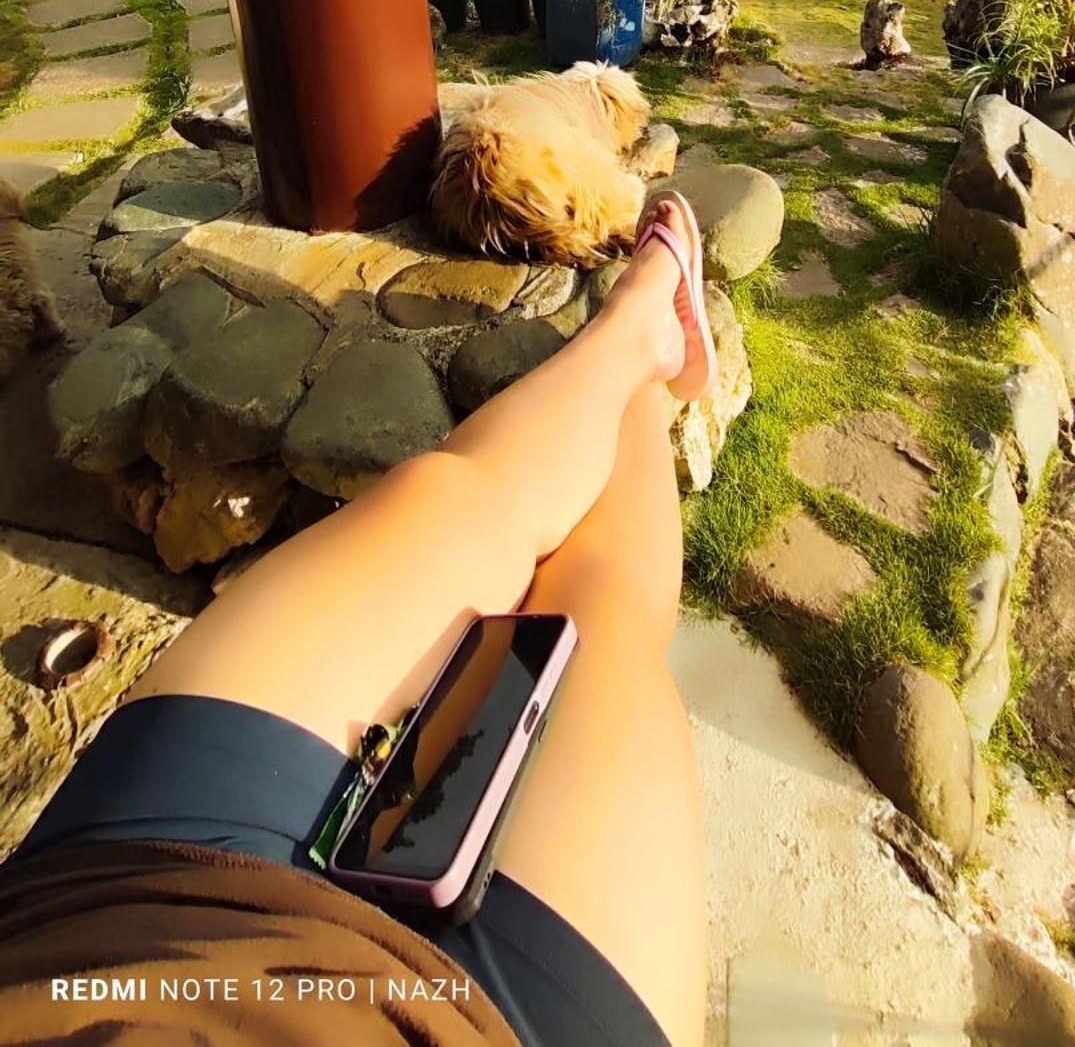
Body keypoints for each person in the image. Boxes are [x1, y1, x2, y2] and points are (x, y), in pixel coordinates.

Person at [0, 194, 713, 1047]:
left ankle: (631, 333)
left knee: (448, 497)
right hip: (505, 1022)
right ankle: (644, 372)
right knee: (598, 619)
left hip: (122, 930)